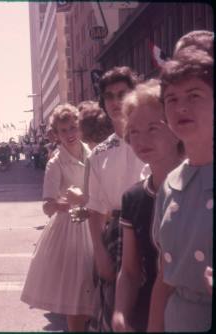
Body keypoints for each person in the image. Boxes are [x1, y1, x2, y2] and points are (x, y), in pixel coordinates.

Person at [111, 80, 184, 332]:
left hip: (191, 314)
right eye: (133, 131)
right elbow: (130, 271)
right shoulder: (133, 198)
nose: (141, 140)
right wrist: (120, 312)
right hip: (145, 316)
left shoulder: (199, 189)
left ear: (177, 130)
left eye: (153, 128)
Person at [148, 46, 213, 332]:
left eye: (194, 96)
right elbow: (164, 276)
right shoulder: (171, 183)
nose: (180, 107)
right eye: (171, 99)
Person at [21, 104, 96, 331]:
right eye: (63, 131)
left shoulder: (93, 153)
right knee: (76, 299)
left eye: (73, 127)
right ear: (56, 134)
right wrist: (69, 202)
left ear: (80, 127)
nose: (69, 134)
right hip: (71, 231)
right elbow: (48, 206)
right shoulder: (55, 163)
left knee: (96, 292)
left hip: (96, 222)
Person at [85, 66, 146, 332]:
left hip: (153, 229)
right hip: (116, 239)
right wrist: (99, 255)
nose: (115, 101)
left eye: (122, 93)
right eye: (109, 95)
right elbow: (95, 211)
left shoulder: (155, 138)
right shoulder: (98, 154)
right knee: (116, 319)